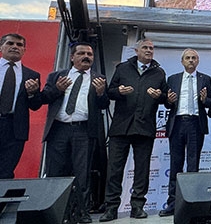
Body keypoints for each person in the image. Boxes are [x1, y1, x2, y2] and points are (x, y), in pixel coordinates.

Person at [100, 39, 169, 222]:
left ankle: (137, 206)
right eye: (145, 48)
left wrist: (159, 96)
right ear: (136, 50)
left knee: (142, 169)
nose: (149, 51)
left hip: (144, 126)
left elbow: (167, 98)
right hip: (121, 126)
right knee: (114, 169)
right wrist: (119, 91)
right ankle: (111, 207)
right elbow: (110, 92)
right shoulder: (123, 68)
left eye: (152, 48)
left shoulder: (159, 72)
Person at [40, 42, 107, 223]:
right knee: (55, 172)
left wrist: (101, 94)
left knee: (82, 174)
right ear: (72, 57)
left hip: (84, 131)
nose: (86, 57)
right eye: (82, 53)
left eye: (90, 54)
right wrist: (57, 89)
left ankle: (83, 213)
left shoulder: (98, 78)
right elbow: (44, 98)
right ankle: (52, 211)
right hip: (59, 130)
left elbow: (104, 105)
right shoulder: (57, 76)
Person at [159, 49, 211, 217]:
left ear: (198, 61)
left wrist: (205, 100)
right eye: (188, 58)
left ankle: (192, 202)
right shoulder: (173, 79)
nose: (191, 60)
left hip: (195, 123)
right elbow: (167, 104)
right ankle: (173, 203)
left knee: (193, 164)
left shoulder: (205, 79)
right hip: (177, 123)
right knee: (175, 164)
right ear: (182, 61)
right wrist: (169, 100)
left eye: (194, 58)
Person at [0, 33, 42, 180]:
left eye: (19, 45)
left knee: (5, 172)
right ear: (1, 47)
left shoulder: (32, 75)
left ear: (24, 50)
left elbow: (36, 105)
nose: (15, 47)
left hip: (15, 129)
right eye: (10, 43)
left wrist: (32, 93)